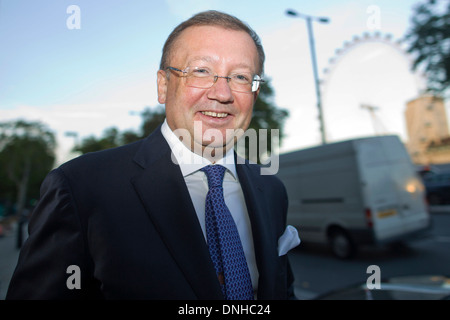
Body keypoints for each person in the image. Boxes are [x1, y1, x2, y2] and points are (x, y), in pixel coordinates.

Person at [6, 10, 299, 300]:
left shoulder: (271, 189)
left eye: (240, 76)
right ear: (163, 85)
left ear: (255, 92)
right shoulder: (81, 188)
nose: (222, 93)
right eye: (201, 71)